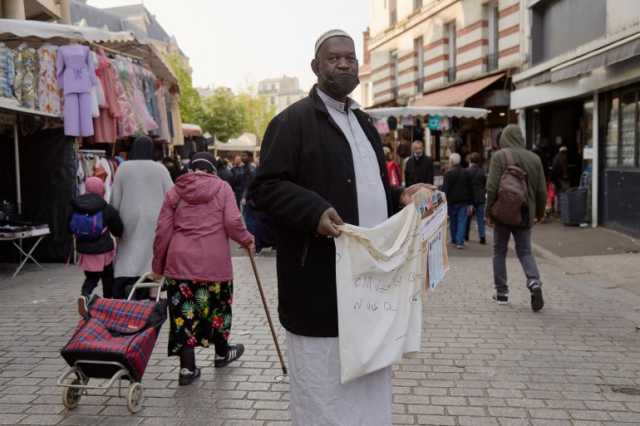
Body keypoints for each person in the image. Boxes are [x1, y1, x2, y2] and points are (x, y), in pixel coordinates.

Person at [250, 29, 431, 426]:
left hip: (367, 283)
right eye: (334, 58)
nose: (345, 63)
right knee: (323, 387)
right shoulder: (291, 121)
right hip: (318, 282)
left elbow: (370, 189)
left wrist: (400, 195)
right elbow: (264, 189)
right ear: (316, 67)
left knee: (369, 379)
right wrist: (312, 211)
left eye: (350, 57)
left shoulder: (365, 124)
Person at [151, 152, 254, 386]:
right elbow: (232, 222)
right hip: (214, 263)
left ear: (191, 169)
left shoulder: (176, 191)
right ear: (212, 170)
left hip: (180, 265)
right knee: (218, 310)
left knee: (183, 317)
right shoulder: (223, 188)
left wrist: (158, 266)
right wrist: (246, 239)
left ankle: (187, 370)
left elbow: (163, 231)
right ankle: (221, 353)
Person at [486, 124, 547, 311]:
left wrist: (488, 213)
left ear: (504, 138)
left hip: (503, 213)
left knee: (499, 252)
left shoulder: (499, 156)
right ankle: (534, 282)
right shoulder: (535, 158)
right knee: (525, 251)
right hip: (525, 213)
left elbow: (492, 187)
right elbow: (541, 190)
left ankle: (502, 293)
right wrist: (539, 213)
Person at [111, 136, 173, 299]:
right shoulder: (159, 169)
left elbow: (115, 198)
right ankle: (148, 283)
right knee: (150, 250)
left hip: (128, 215)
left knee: (128, 248)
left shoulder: (123, 168)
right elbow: (171, 195)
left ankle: (125, 280)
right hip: (155, 216)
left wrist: (115, 219)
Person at [70, 177, 123, 316]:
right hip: (104, 251)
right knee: (107, 277)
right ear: (102, 189)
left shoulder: (76, 206)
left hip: (85, 251)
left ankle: (85, 295)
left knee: (91, 278)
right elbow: (118, 229)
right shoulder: (106, 207)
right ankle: (108, 302)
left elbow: (69, 227)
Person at [442, 153, 472, 249]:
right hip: (464, 200)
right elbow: (470, 188)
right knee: (462, 221)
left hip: (451, 201)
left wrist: (443, 201)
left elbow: (445, 189)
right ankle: (460, 241)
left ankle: (454, 239)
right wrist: (471, 202)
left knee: (453, 220)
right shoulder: (466, 172)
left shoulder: (448, 174)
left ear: (451, 162)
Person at [465, 152, 487, 244]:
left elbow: (465, 185)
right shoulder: (482, 172)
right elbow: (484, 184)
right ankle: (482, 237)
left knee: (467, 218)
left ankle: (465, 235)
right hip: (480, 198)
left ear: (470, 160)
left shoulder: (466, 171)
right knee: (480, 218)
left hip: (469, 198)